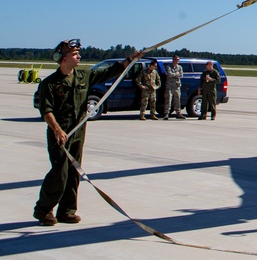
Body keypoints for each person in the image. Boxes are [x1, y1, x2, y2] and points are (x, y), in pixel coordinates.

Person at [33, 39, 140, 226]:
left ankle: (67, 211)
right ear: (62, 59)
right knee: (59, 173)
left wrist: (130, 59)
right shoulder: (50, 83)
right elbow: (46, 111)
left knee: (74, 172)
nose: (79, 57)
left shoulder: (83, 76)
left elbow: (109, 72)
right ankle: (43, 210)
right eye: (74, 55)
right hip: (60, 134)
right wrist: (57, 130)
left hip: (78, 133)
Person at [163, 55, 186, 120]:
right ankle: (166, 113)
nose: (177, 61)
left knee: (177, 99)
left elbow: (181, 75)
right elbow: (169, 74)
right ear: (173, 59)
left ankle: (178, 113)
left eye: (178, 59)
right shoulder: (169, 67)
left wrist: (174, 74)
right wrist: (176, 74)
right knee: (168, 99)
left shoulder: (180, 67)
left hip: (177, 86)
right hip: (169, 86)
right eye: (176, 59)